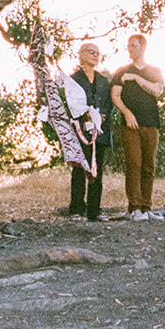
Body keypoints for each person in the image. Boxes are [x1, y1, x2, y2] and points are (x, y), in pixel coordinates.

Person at [111, 32, 165, 220]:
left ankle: (146, 208)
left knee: (148, 166)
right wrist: (127, 113)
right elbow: (115, 96)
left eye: (133, 46)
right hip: (131, 125)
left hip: (151, 123)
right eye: (128, 46)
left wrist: (136, 78)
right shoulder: (121, 72)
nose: (130, 49)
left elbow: (157, 90)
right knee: (134, 164)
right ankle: (135, 208)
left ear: (143, 46)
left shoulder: (154, 71)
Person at [64, 42, 111, 221]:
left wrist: (102, 116)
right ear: (81, 55)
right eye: (91, 52)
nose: (95, 55)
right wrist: (85, 116)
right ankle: (76, 209)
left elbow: (108, 103)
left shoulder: (104, 80)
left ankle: (94, 210)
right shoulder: (73, 79)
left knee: (96, 169)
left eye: (98, 53)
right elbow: (71, 103)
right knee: (78, 169)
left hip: (99, 131)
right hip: (80, 130)